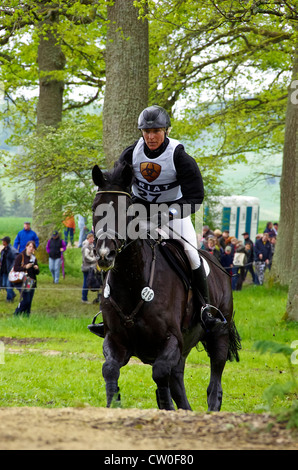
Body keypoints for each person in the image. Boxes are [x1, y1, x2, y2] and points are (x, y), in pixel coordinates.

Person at [89, 104, 224, 337]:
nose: (151, 136)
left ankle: (205, 309)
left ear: (166, 130)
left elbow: (196, 197)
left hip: (175, 212)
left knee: (192, 255)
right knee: (115, 248)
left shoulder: (180, 157)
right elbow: (118, 184)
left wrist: (169, 213)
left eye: (156, 131)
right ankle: (108, 311)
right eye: (146, 131)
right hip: (139, 212)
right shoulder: (131, 153)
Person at [13, 241, 39, 316]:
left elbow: (37, 273)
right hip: (24, 280)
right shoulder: (21, 256)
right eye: (30, 246)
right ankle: (17, 313)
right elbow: (15, 268)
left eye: (33, 247)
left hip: (32, 280)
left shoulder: (34, 258)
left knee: (29, 301)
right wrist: (25, 267)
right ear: (26, 247)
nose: (31, 249)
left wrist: (36, 268)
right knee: (26, 300)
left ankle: (27, 316)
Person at [0, 236, 18, 302]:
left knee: (8, 284)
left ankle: (9, 299)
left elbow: (16, 259)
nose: (2, 242)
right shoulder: (3, 250)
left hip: (9, 270)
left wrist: (12, 267)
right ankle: (12, 294)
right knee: (4, 284)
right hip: (4, 270)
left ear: (6, 242)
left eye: (3, 241)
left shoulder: (12, 250)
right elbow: (2, 258)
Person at [81, 232, 97, 304]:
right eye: (91, 239)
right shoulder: (86, 246)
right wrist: (94, 259)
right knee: (86, 283)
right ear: (88, 239)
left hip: (91, 267)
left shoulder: (91, 246)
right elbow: (86, 257)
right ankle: (84, 298)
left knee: (88, 282)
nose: (92, 240)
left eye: (93, 239)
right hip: (86, 267)